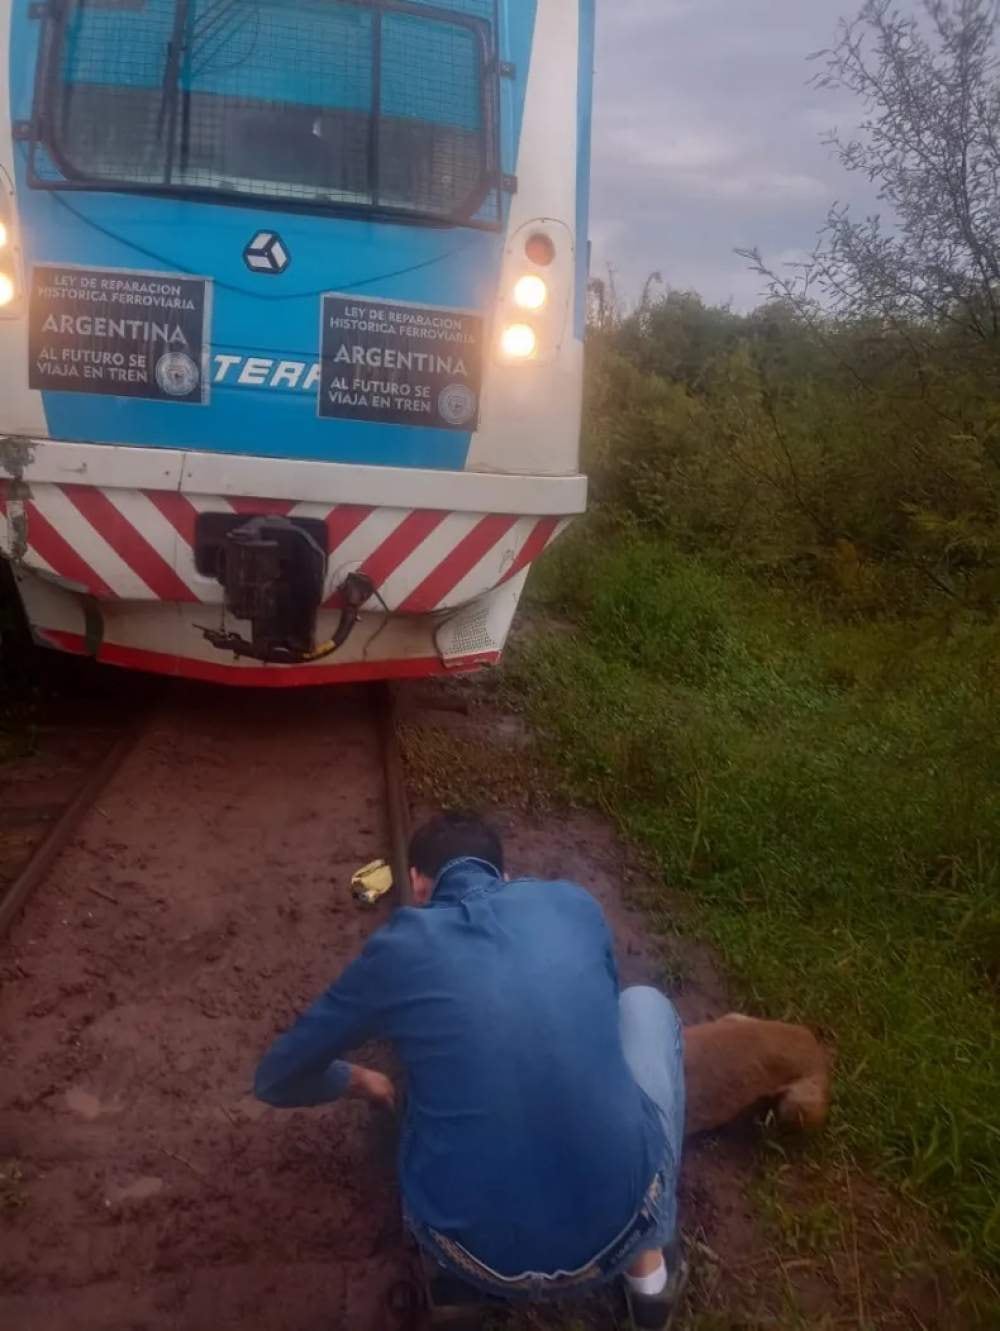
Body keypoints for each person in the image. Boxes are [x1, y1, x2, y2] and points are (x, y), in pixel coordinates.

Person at [254, 813, 687, 1329]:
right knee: (644, 1004)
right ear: (503, 876)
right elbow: (607, 1017)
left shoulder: (398, 947)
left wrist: (364, 1080)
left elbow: (275, 1077)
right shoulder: (574, 903)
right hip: (616, 1232)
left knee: (423, 1100)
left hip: (470, 1255)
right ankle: (649, 1277)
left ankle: (455, 1288)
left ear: (416, 883)